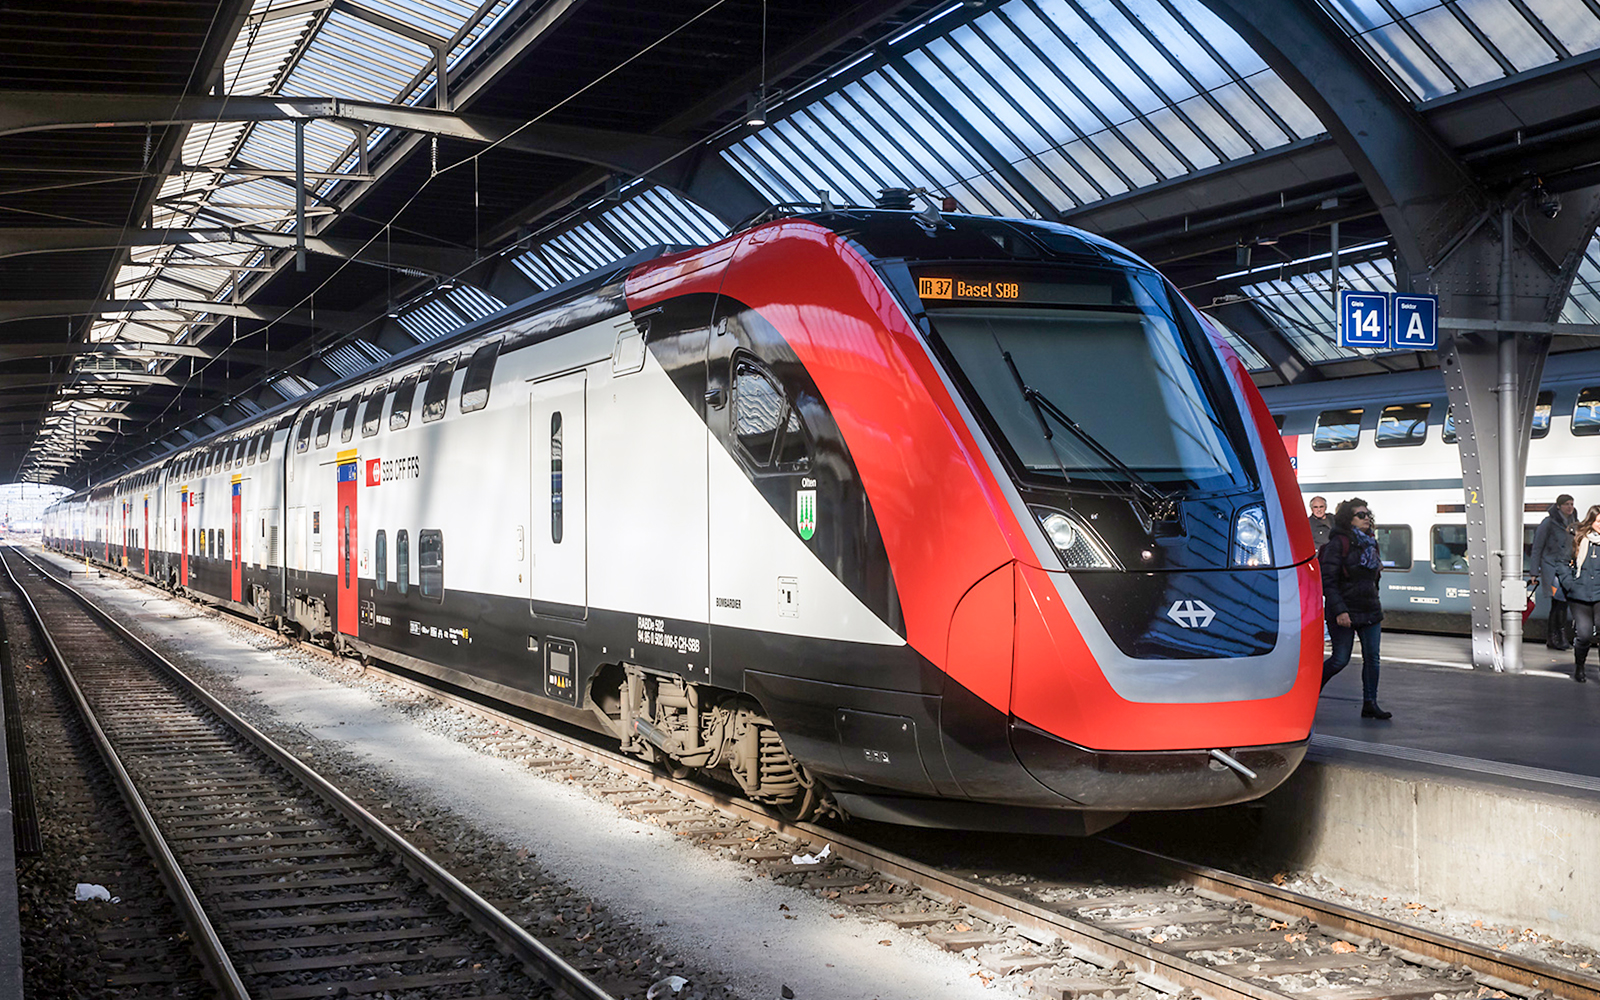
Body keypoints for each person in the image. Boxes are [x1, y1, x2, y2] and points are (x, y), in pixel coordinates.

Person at [1320, 498, 1390, 718]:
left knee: (1373, 658)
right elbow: (1328, 580)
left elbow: (1373, 578)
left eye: (1367, 514)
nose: (1366, 518)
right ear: (1348, 520)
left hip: (1369, 608)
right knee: (1340, 659)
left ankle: (1370, 702)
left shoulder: (1371, 543)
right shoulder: (1338, 544)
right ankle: (1309, 692)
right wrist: (1340, 610)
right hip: (1345, 610)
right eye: (1360, 515)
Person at [1556, 504, 1600, 683]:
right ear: (1591, 521)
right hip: (1579, 594)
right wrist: (1569, 584)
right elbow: (1562, 562)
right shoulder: (1577, 538)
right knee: (1584, 634)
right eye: (1598, 521)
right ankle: (1579, 666)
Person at [1530, 494, 1578, 650]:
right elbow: (1537, 548)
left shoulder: (1573, 522)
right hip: (1550, 568)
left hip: (1565, 569)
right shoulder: (1548, 523)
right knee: (1559, 602)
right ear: (1558, 506)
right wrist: (1534, 573)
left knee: (1561, 604)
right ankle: (1559, 637)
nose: (1570, 507)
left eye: (1571, 504)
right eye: (1566, 504)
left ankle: (1554, 638)